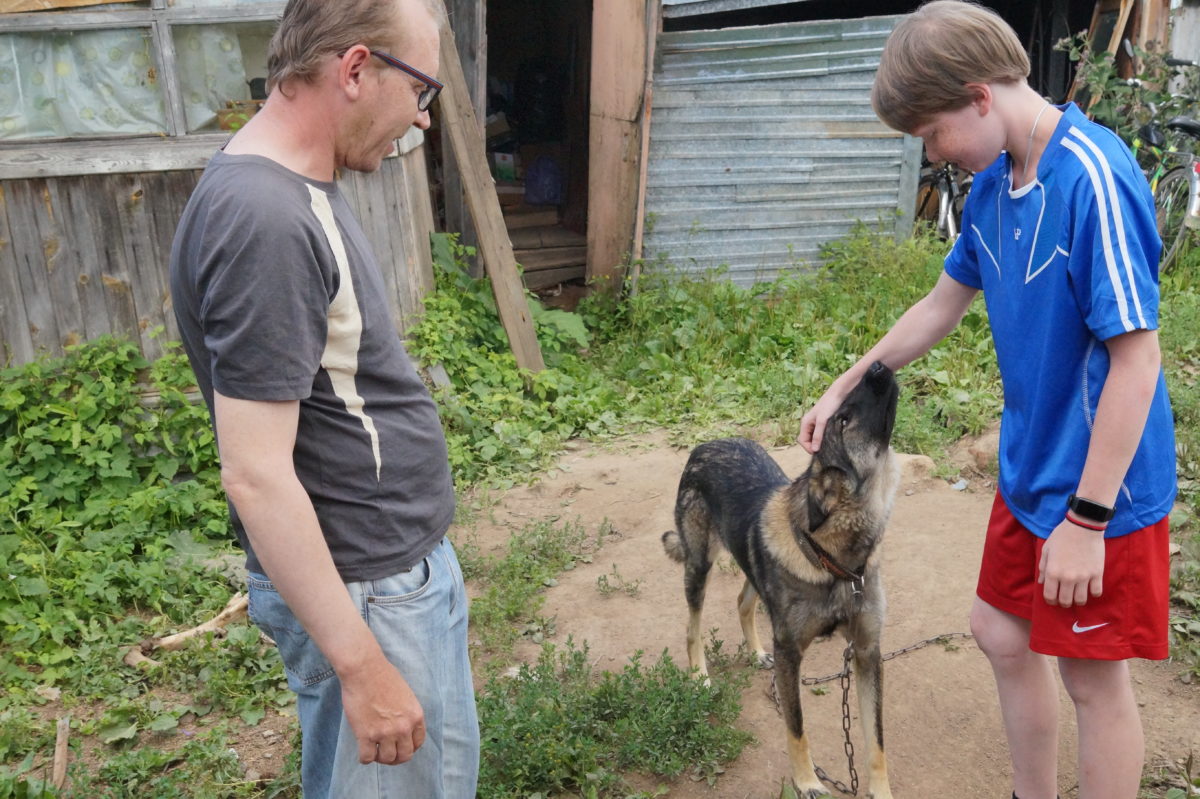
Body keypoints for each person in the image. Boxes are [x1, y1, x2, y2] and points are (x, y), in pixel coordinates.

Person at [799, 3, 1176, 798]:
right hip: (1031, 470)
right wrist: (846, 382)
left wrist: (1087, 522)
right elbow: (940, 304)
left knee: (1092, 681)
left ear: (978, 97)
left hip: (1101, 491)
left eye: (932, 135)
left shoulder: (1094, 178)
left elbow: (1137, 363)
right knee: (999, 631)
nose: (933, 154)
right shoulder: (994, 190)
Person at [168, 1, 479, 797]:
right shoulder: (264, 219)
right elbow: (257, 473)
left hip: (385, 576)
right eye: (421, 93)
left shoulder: (293, 184)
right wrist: (361, 663)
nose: (420, 120)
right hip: (366, 589)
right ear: (354, 69)